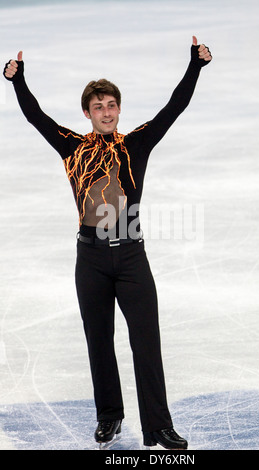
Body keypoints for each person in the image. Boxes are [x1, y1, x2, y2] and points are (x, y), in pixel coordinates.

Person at [3, 36, 212, 450]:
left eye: (111, 105)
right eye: (98, 107)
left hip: (132, 255)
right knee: (98, 340)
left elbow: (174, 108)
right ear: (87, 113)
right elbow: (36, 117)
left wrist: (195, 66)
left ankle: (158, 427)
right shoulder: (73, 147)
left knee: (146, 342)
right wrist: (16, 80)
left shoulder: (136, 144)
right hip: (91, 258)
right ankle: (109, 417)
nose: (106, 112)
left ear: (119, 109)